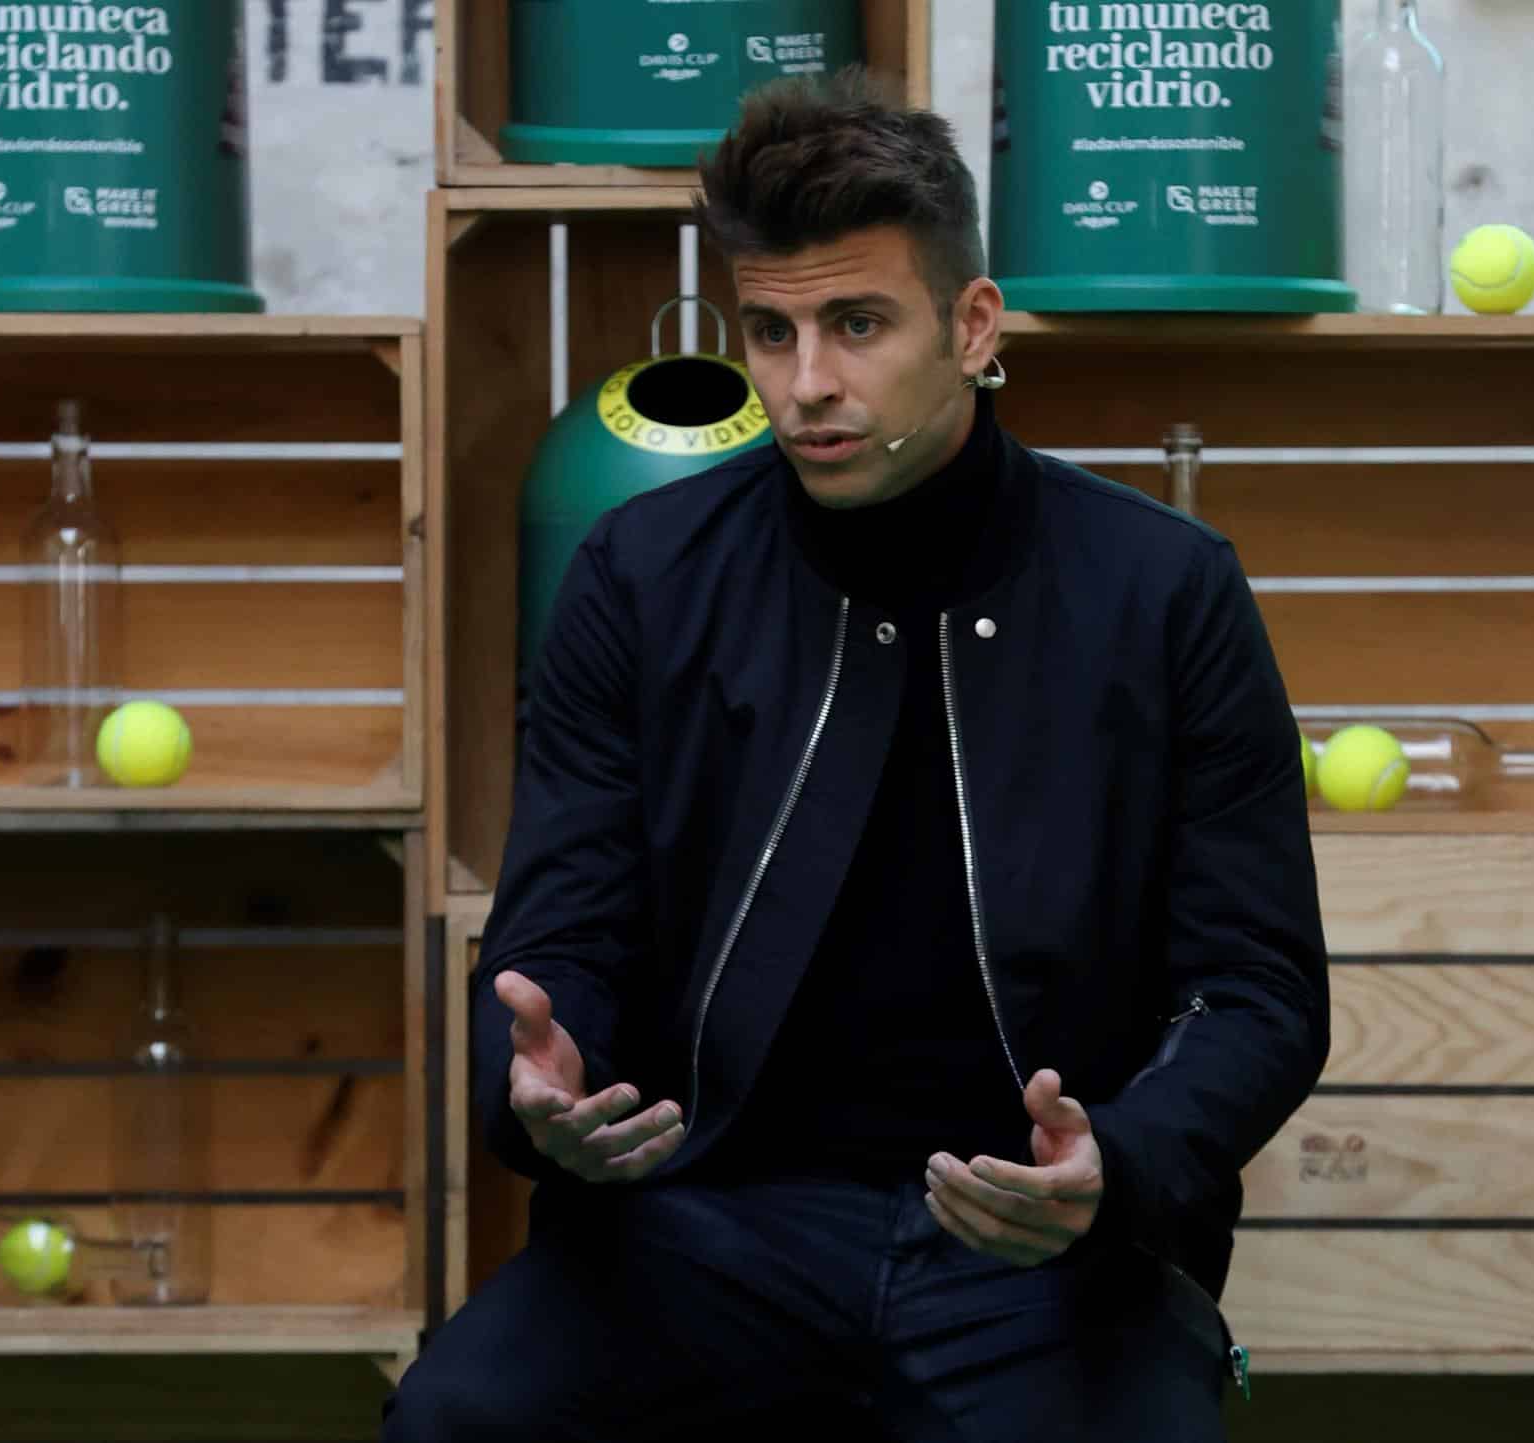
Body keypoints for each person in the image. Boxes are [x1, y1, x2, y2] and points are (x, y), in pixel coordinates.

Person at [383, 67, 1328, 1443]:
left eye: (857, 324)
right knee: (454, 1425)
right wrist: (536, 1085)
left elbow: (1258, 990)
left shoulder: (1163, 589)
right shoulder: (643, 575)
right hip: (699, 1224)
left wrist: (1115, 1163)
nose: (808, 383)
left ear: (975, 325)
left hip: (1036, 1245)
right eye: (770, 332)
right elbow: (557, 929)